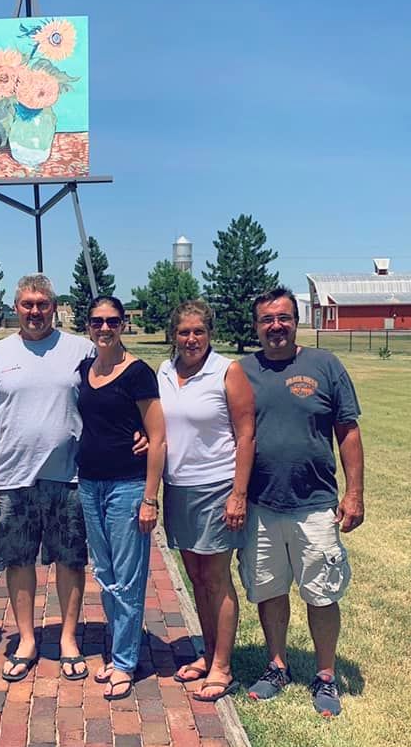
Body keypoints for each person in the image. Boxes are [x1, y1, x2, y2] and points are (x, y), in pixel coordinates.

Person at [0, 274, 146, 683]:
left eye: (42, 304)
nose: (34, 311)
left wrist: (142, 428)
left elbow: (121, 382)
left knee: (70, 561)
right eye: (27, 304)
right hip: (12, 478)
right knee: (18, 561)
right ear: (16, 307)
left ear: (54, 306)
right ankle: (27, 639)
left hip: (72, 476)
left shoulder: (81, 348)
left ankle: (68, 638)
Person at [238, 287, 365, 717]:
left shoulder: (325, 365)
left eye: (284, 318)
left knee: (322, 593)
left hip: (314, 503)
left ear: (296, 321)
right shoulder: (242, 371)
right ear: (256, 325)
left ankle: (325, 674)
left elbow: (347, 430)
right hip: (261, 504)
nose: (276, 326)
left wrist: (354, 493)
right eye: (267, 319)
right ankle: (277, 666)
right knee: (269, 589)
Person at [158, 300, 255, 702]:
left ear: (209, 334)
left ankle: (223, 667)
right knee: (195, 578)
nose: (191, 338)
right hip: (177, 487)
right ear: (173, 335)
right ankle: (208, 651)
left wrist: (238, 493)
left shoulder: (227, 371)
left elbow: (246, 434)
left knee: (216, 579)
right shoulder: (165, 372)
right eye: (184, 332)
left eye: (199, 331)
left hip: (217, 487)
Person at [76, 296, 166, 701]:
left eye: (113, 321)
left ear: (124, 325)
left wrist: (150, 498)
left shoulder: (139, 374)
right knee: (105, 575)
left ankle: (125, 662)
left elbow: (158, 437)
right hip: (89, 484)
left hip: (128, 486)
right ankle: (117, 651)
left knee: (128, 579)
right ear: (89, 326)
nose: (105, 328)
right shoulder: (84, 369)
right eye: (97, 321)